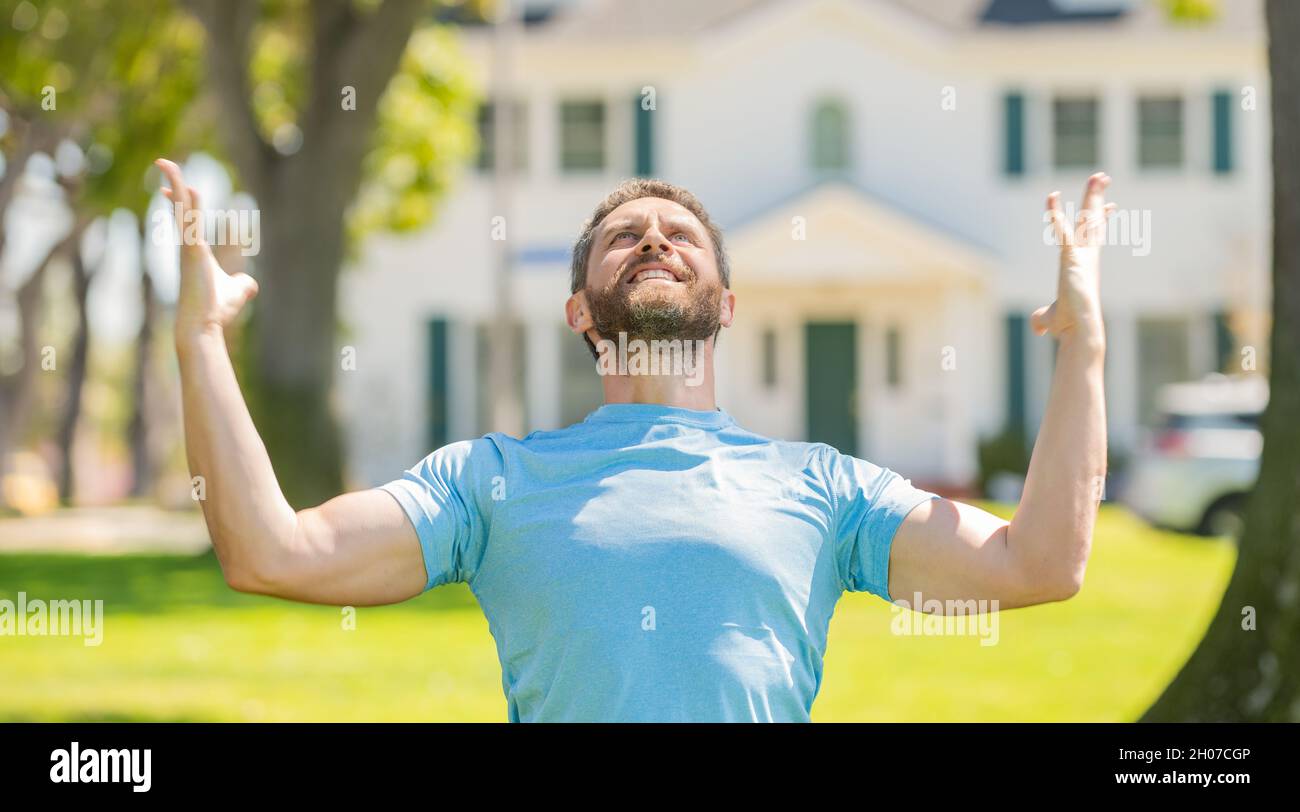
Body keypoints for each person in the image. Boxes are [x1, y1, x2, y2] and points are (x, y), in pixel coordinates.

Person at [156, 157, 1112, 722]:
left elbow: (1039, 562)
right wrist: (199, 342)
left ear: (727, 304)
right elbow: (271, 551)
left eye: (679, 235)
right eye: (625, 235)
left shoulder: (826, 487)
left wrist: (1087, 349)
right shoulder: (489, 482)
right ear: (580, 307)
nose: (655, 240)